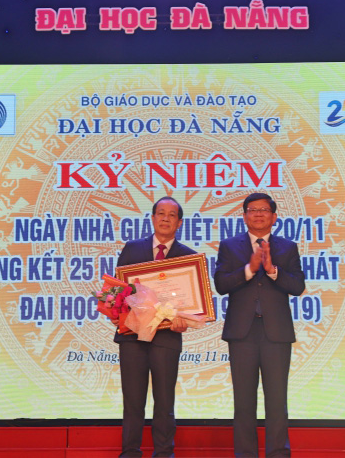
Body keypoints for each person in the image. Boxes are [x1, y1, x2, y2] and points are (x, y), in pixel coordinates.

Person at [214, 193, 305, 458]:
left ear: (274, 217)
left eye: (264, 210)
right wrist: (249, 269)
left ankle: (278, 453)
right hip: (242, 334)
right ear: (244, 216)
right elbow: (221, 285)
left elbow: (297, 286)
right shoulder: (230, 246)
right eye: (252, 210)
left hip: (276, 334)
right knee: (244, 403)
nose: (258, 214)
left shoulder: (287, 248)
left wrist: (272, 269)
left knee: (277, 402)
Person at [113, 196, 196, 458]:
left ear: (179, 222)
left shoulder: (189, 257)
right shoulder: (132, 249)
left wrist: (186, 320)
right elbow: (118, 290)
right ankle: (130, 452)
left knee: (164, 402)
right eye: (160, 213)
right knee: (133, 402)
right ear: (152, 218)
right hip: (132, 336)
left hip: (167, 338)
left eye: (172, 215)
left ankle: (163, 453)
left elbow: (191, 305)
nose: (165, 218)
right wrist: (115, 313)